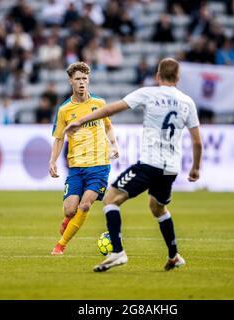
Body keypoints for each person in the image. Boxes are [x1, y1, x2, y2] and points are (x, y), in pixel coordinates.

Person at [64, 58, 203, 272]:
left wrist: (81, 120)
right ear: (177, 78)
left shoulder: (149, 93)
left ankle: (117, 252)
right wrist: (195, 168)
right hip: (171, 168)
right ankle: (174, 256)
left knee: (110, 199)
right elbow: (197, 141)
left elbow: (111, 109)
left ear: (157, 76)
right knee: (157, 207)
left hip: (150, 163)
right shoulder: (187, 102)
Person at [49, 62, 119, 255]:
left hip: (99, 165)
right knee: (70, 210)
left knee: (85, 205)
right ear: (71, 81)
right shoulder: (64, 110)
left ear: (88, 80)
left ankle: (60, 245)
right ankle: (67, 219)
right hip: (77, 167)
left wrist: (114, 144)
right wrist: (52, 161)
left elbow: (108, 126)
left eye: (84, 79)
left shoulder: (99, 104)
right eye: (78, 79)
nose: (81, 82)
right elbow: (58, 138)